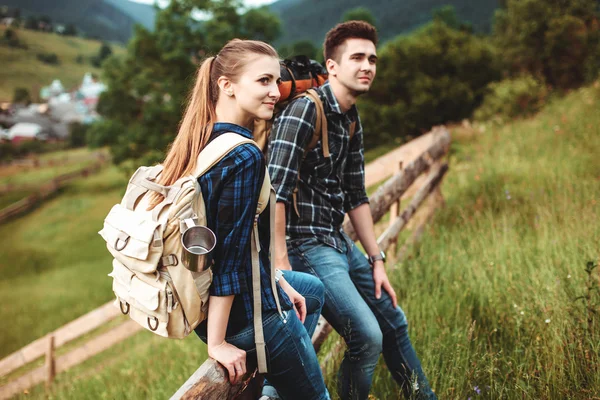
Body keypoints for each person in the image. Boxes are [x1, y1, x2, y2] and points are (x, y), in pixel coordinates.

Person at [149, 39, 329, 400]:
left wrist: (277, 282)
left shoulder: (202, 140)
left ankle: (271, 390)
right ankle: (275, 383)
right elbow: (229, 258)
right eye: (263, 81)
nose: (275, 92)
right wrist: (217, 343)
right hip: (250, 319)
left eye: (276, 81)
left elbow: (242, 244)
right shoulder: (244, 156)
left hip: (207, 306)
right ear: (226, 85)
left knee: (311, 290)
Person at [268, 22, 437, 399]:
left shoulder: (351, 116)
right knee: (366, 335)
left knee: (393, 321)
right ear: (332, 66)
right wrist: (283, 267)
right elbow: (275, 193)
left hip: (335, 240)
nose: (368, 66)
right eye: (357, 58)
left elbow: (356, 195)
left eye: (372, 59)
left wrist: (376, 260)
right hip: (304, 244)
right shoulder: (303, 112)